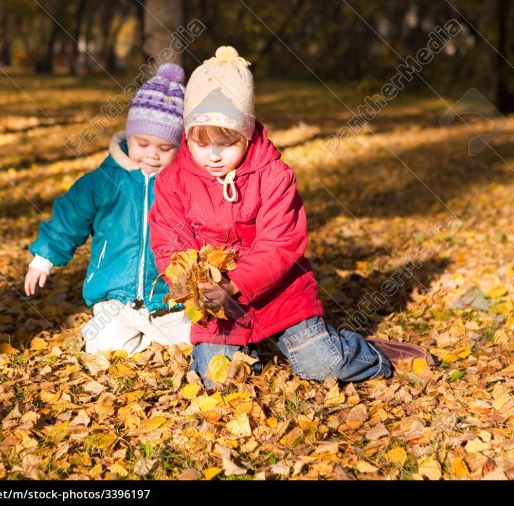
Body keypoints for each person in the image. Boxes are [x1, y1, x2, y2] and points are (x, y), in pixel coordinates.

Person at [148, 47, 433, 389]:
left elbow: (281, 244)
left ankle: (370, 354)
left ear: (248, 133)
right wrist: (191, 285)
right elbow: (168, 239)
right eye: (201, 143)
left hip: (279, 293)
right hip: (215, 305)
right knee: (218, 380)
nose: (213, 156)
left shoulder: (274, 175)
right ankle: (244, 350)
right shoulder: (173, 180)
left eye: (226, 143)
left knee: (321, 364)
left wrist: (235, 283)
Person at [25, 64, 191, 355]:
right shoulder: (103, 181)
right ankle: (135, 331)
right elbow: (70, 216)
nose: (152, 154)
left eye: (165, 148)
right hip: (114, 296)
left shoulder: (184, 184)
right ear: (129, 138)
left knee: (191, 339)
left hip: (168, 298)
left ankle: (154, 331)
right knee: (104, 347)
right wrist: (44, 257)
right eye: (143, 143)